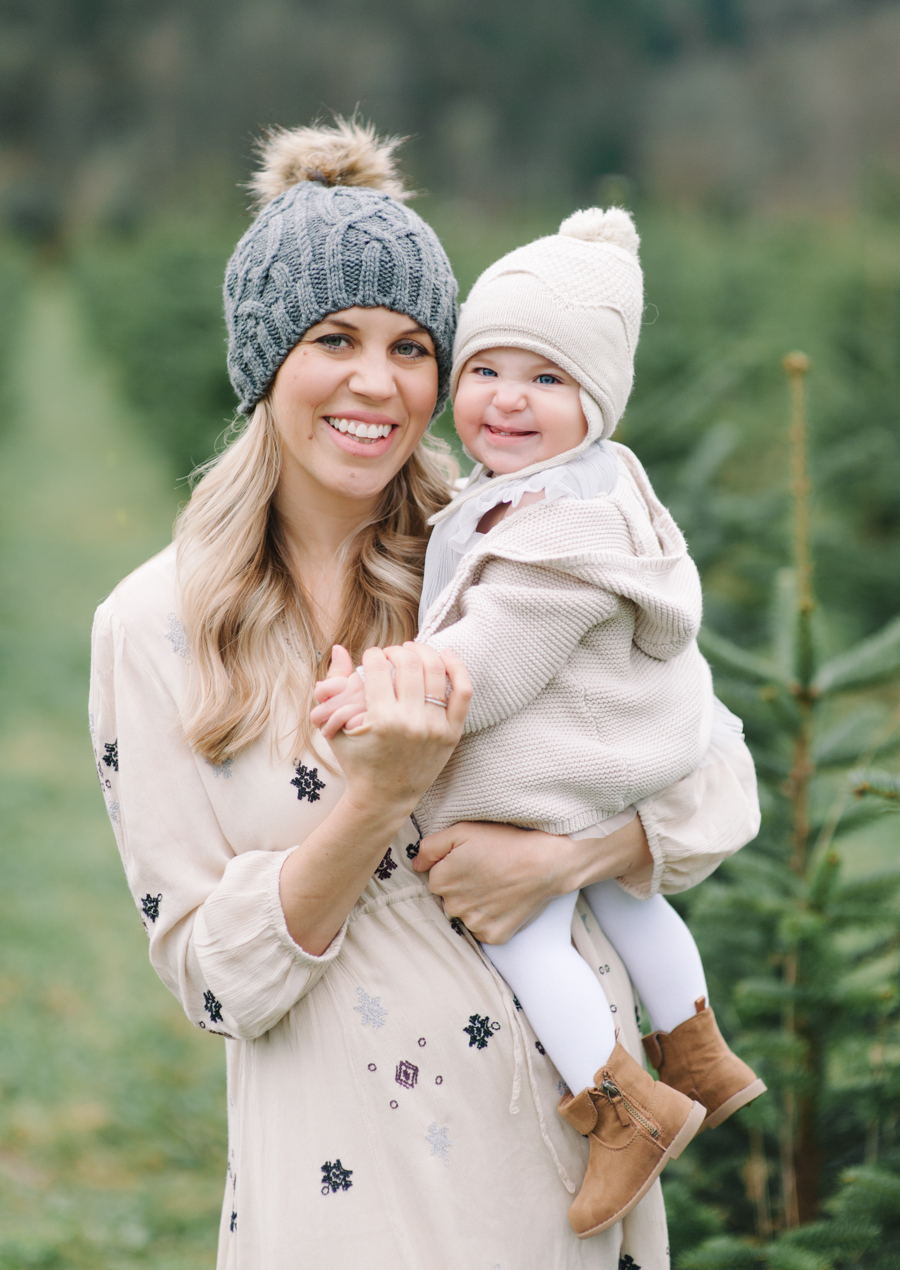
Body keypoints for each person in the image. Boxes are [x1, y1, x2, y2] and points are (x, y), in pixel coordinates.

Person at [89, 118, 761, 1269]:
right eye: (334, 339)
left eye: (412, 347)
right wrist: (375, 800)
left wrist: (567, 859)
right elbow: (215, 981)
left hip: (567, 1154)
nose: (376, 382)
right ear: (266, 363)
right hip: (351, 1175)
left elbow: (718, 777)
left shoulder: (511, 550)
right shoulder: (155, 627)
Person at [312, 206, 766, 1238]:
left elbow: (494, 662)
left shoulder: (559, 529)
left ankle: (628, 1106)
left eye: (548, 379)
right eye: (487, 370)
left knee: (527, 937)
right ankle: (697, 1049)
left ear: (597, 400)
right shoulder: (581, 487)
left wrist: (387, 680)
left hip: (552, 783)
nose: (508, 400)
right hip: (615, 771)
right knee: (633, 898)